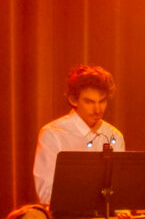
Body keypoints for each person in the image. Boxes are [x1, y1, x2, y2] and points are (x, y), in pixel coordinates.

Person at [32, 65, 125, 207]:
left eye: (102, 101)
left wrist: (122, 212)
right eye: (89, 102)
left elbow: (119, 189)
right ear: (73, 100)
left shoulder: (114, 135)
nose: (98, 109)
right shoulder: (53, 134)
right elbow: (45, 193)